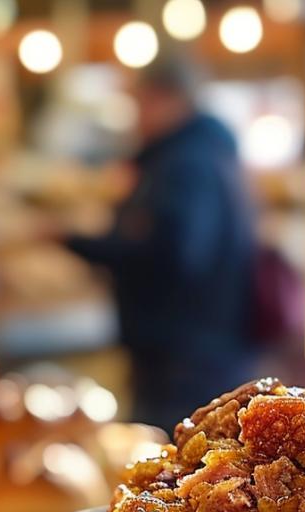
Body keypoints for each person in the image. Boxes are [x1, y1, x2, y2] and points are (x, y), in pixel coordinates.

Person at [63, 55, 259, 429]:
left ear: (165, 98)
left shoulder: (185, 163)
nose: (135, 116)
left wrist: (82, 243)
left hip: (183, 354)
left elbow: (174, 253)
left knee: (171, 467)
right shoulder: (206, 151)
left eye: (139, 102)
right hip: (200, 346)